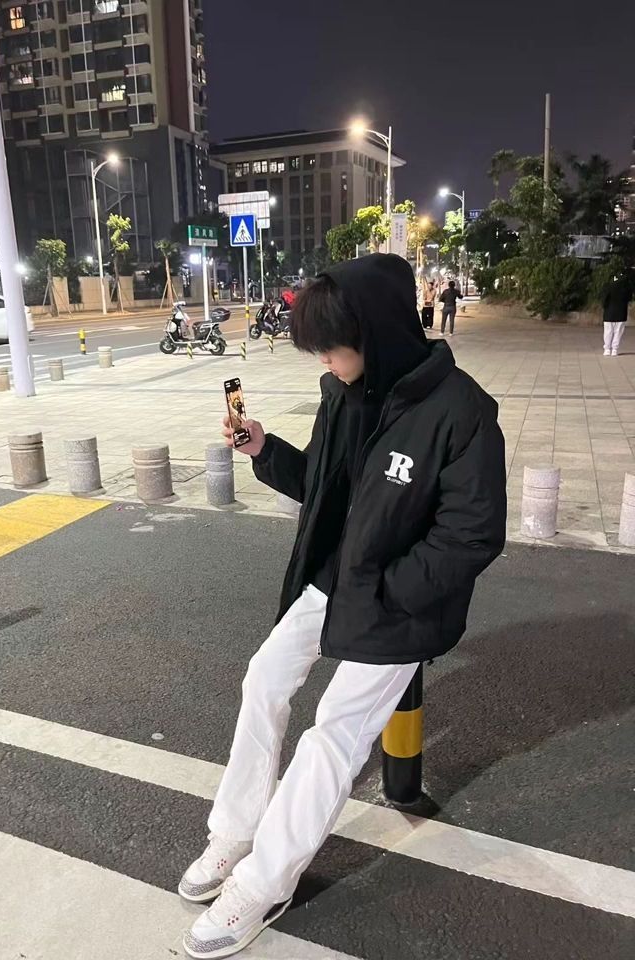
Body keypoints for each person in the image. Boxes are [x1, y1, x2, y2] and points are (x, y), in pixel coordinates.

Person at [179, 254, 507, 959]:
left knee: (332, 734)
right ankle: (235, 832)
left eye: (332, 346)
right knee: (264, 679)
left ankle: (264, 883)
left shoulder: (462, 412)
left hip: (400, 605)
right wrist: (265, 450)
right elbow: (326, 490)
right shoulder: (341, 392)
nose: (324, 361)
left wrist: (390, 595)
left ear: (378, 333)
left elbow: (472, 535)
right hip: (334, 579)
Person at [603, 273, 632, 356]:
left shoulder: (608, 286)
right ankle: (614, 349)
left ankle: (607, 349)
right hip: (621, 313)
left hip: (609, 313)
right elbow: (629, 298)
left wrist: (605, 306)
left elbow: (604, 299)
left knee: (608, 331)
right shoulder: (626, 287)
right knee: (618, 332)